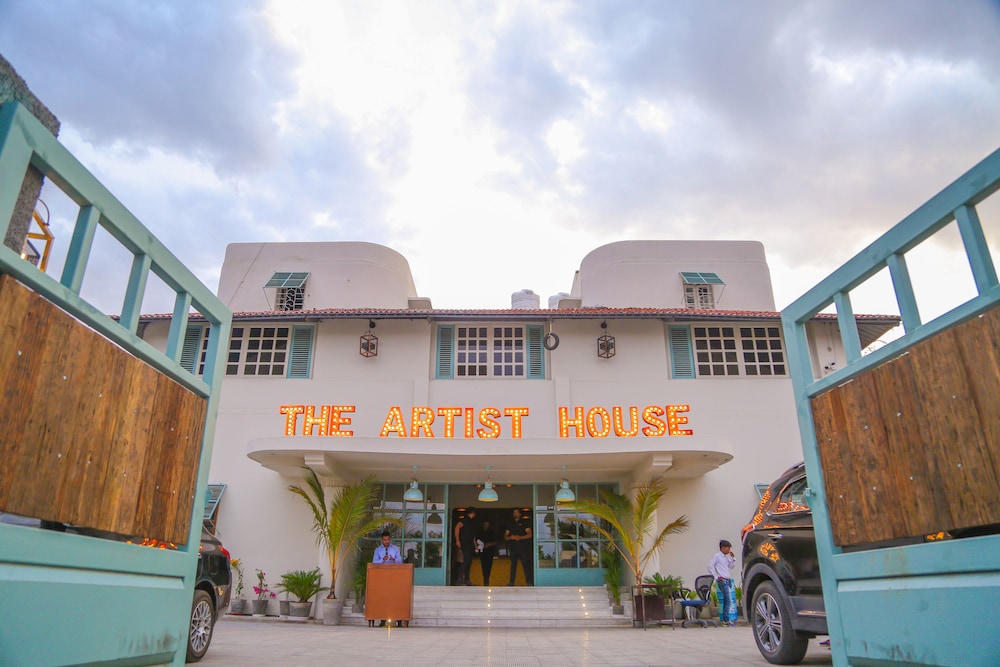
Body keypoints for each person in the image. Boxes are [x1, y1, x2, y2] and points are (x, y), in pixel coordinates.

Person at [372, 530, 402, 626]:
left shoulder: (395, 549)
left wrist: (394, 560)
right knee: (383, 597)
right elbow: (374, 563)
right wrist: (382, 560)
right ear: (382, 540)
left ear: (390, 539)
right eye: (385, 540)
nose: (386, 541)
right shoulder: (378, 550)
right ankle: (382, 619)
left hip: (394, 576)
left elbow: (400, 561)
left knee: (395, 597)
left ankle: (399, 620)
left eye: (388, 539)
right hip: (382, 576)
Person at [708, 539, 738, 626]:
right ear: (723, 548)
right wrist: (716, 577)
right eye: (728, 548)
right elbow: (710, 566)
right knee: (728, 600)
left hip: (728, 580)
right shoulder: (717, 556)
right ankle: (727, 620)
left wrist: (733, 558)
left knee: (727, 600)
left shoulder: (726, 557)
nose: (729, 550)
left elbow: (731, 566)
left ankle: (726, 619)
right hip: (722, 581)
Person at [505, 508, 532, 586]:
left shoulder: (524, 523)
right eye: (514, 512)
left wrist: (520, 537)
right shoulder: (510, 524)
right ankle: (511, 582)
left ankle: (529, 582)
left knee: (526, 565)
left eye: (517, 512)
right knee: (513, 565)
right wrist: (510, 537)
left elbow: (530, 534)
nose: (515, 514)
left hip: (523, 548)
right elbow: (505, 536)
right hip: (513, 548)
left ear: (520, 514)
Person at [454, 507, 477, 586]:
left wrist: (475, 545)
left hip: (470, 544)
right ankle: (459, 579)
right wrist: (457, 540)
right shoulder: (464, 519)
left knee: (469, 561)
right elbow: (457, 527)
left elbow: (473, 536)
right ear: (472, 513)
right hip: (465, 543)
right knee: (466, 560)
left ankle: (467, 579)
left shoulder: (472, 522)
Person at [477, 519, 499, 586]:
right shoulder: (479, 532)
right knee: (483, 566)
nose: (486, 526)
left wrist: (489, 544)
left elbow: (496, 542)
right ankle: (484, 579)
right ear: (483, 524)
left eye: (488, 525)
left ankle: (487, 580)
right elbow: (475, 541)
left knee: (489, 566)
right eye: (485, 524)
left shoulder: (491, 532)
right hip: (481, 552)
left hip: (490, 552)